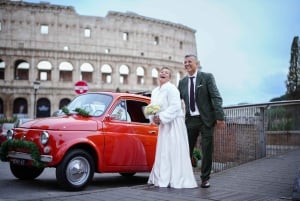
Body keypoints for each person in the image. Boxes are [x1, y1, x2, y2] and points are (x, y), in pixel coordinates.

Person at [178, 54, 225, 188]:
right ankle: (185, 176)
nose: (187, 64)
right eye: (185, 62)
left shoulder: (207, 77)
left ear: (197, 63)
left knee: (207, 149)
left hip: (206, 120)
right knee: (185, 149)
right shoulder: (182, 82)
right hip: (190, 120)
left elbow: (216, 97)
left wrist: (220, 117)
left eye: (190, 62)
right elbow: (175, 101)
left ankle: (205, 178)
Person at [147, 67, 198, 189]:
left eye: (166, 73)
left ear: (170, 77)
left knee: (174, 150)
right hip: (164, 125)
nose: (163, 73)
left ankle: (176, 178)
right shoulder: (155, 91)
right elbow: (152, 107)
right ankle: (163, 177)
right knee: (163, 151)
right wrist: (153, 117)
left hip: (174, 123)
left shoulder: (172, 89)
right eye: (161, 72)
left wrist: (162, 117)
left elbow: (175, 106)